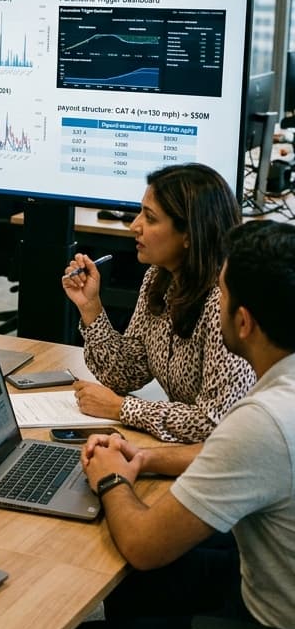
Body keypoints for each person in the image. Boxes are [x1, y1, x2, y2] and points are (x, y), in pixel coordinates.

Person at [47, 220, 295, 629]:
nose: (215, 302)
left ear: (243, 321)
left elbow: (144, 544)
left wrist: (114, 480)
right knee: (139, 591)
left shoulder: (264, 418)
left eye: (222, 294)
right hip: (267, 584)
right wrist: (149, 459)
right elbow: (238, 459)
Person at [61, 163, 255, 442]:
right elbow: (125, 375)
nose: (134, 225)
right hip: (186, 451)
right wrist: (90, 308)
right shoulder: (159, 279)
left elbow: (215, 423)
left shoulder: (224, 301)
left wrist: (122, 409)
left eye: (150, 218)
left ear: (189, 234)